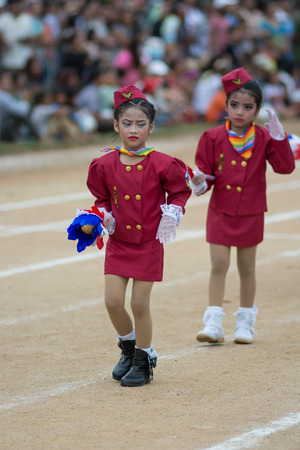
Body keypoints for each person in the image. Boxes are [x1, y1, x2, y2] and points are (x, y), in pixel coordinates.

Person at [69, 85, 191, 386]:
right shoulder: (104, 164)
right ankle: (127, 348)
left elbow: (179, 191)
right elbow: (102, 199)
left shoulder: (163, 163)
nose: (133, 130)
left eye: (140, 124)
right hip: (120, 243)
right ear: (115, 125)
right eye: (126, 123)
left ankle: (144, 358)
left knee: (139, 304)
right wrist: (99, 216)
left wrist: (173, 211)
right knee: (112, 301)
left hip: (149, 244)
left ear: (152, 126)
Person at [190, 67, 295, 345]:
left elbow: (285, 167)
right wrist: (199, 181)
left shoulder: (263, 137)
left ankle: (245, 322)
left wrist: (278, 136)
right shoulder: (211, 137)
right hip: (220, 211)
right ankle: (213, 322)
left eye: (248, 107)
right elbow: (205, 178)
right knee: (219, 264)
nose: (240, 112)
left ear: (258, 109)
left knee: (247, 267)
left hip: (251, 212)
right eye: (234, 105)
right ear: (225, 106)